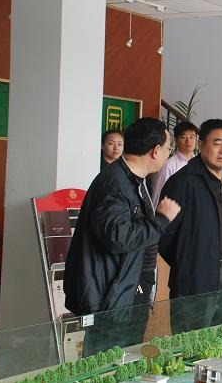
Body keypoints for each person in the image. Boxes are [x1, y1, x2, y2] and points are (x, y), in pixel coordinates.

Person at [65, 118, 181, 355]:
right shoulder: (116, 183)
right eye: (169, 148)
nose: (168, 154)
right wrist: (161, 219)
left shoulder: (132, 179)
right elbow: (119, 237)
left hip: (126, 292)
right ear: (155, 151)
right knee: (107, 363)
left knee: (124, 359)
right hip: (110, 298)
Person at [159, 119, 222, 333]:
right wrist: (189, 264)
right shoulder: (183, 181)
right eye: (217, 143)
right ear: (201, 144)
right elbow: (164, 235)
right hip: (194, 280)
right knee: (191, 343)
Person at [151, 121, 199, 204]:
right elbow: (158, 193)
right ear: (176, 140)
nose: (188, 141)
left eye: (192, 137)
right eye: (183, 137)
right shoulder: (169, 165)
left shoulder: (200, 163)